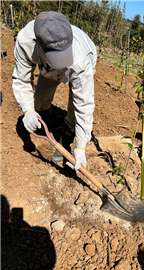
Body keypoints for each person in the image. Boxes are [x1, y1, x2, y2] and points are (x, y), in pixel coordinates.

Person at [12, 11, 97, 171]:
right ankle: (43, 119)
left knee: (74, 108)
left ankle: (67, 134)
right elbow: (22, 80)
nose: (61, 63)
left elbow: (84, 105)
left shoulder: (81, 59)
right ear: (37, 43)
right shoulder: (25, 42)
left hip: (78, 63)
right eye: (56, 57)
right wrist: (28, 110)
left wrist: (80, 148)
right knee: (39, 98)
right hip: (46, 67)